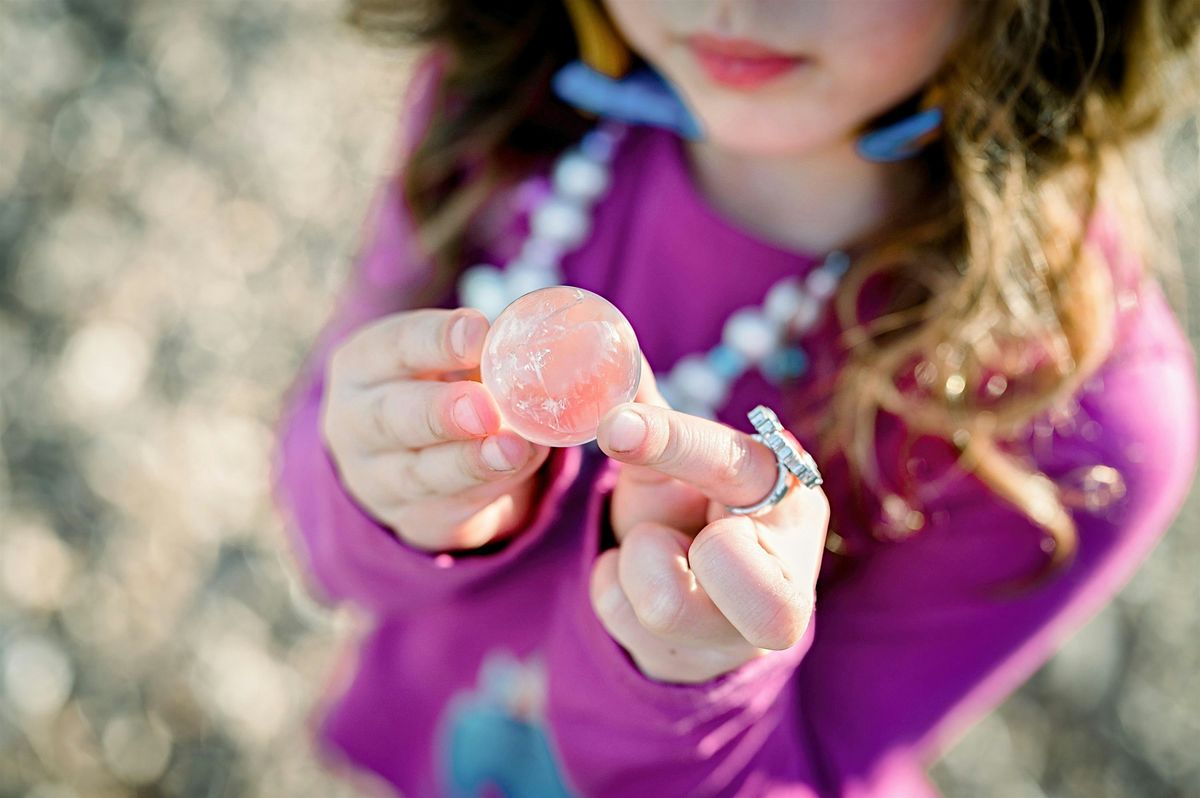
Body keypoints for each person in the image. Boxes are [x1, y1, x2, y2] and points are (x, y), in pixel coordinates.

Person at [270, 1, 1200, 796]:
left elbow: (815, 770)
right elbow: (323, 542)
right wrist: (389, 496)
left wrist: (698, 674)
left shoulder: (1072, 418)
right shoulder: (498, 101)